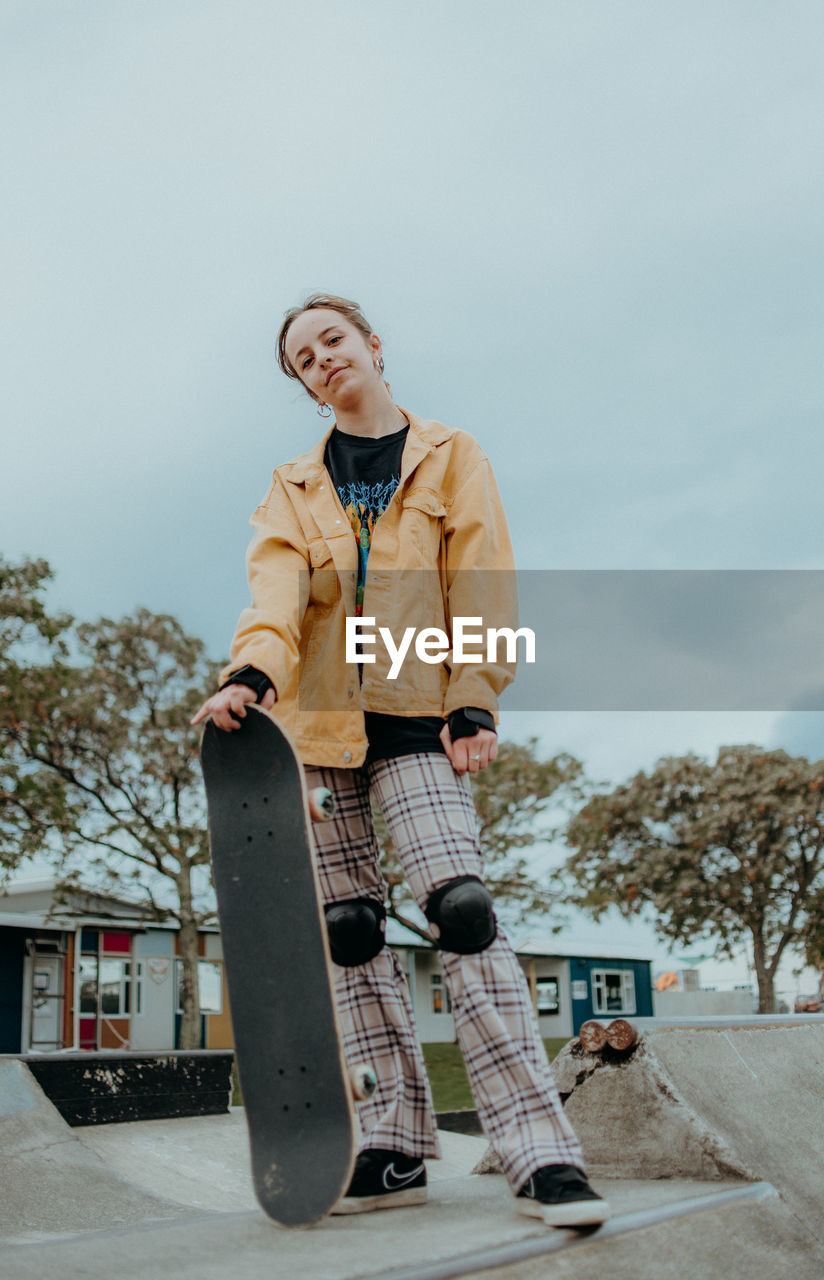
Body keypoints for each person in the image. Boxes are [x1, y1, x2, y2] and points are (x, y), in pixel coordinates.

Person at [192, 293, 610, 1229]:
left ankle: (537, 1150)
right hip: (318, 732)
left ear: (372, 346)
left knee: (462, 912)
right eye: (303, 358)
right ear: (304, 386)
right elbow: (277, 594)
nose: (322, 359)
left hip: (422, 719)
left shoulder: (451, 454)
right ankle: (393, 1145)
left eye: (332, 340)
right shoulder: (292, 487)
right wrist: (250, 677)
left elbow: (482, 578)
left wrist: (475, 694)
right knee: (347, 930)